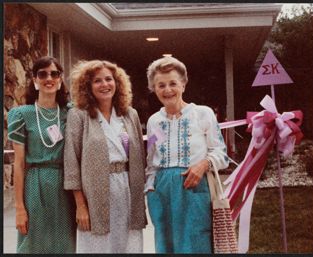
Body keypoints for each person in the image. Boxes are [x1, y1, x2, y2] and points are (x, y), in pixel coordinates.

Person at [144, 56, 229, 253]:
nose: (167, 90)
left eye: (173, 83)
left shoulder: (202, 113)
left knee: (195, 243)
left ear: (183, 84)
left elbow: (221, 154)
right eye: (161, 85)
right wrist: (150, 189)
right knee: (166, 245)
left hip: (194, 188)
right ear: (154, 89)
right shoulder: (154, 121)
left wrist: (203, 165)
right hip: (162, 191)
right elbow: (151, 160)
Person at [63, 60, 147, 253]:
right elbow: (71, 162)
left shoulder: (129, 114)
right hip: (95, 191)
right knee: (98, 243)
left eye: (109, 79)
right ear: (87, 86)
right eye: (97, 81)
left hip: (127, 188)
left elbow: (140, 158)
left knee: (129, 243)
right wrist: (80, 205)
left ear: (117, 83)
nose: (104, 85)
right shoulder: (79, 115)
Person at [7, 56, 76, 253]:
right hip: (35, 185)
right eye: (42, 74)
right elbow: (19, 164)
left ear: (60, 79)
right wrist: (19, 208)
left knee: (64, 244)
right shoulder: (21, 114)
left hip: (65, 186)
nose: (49, 78)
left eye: (54, 74)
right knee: (34, 244)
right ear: (35, 80)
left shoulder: (69, 112)